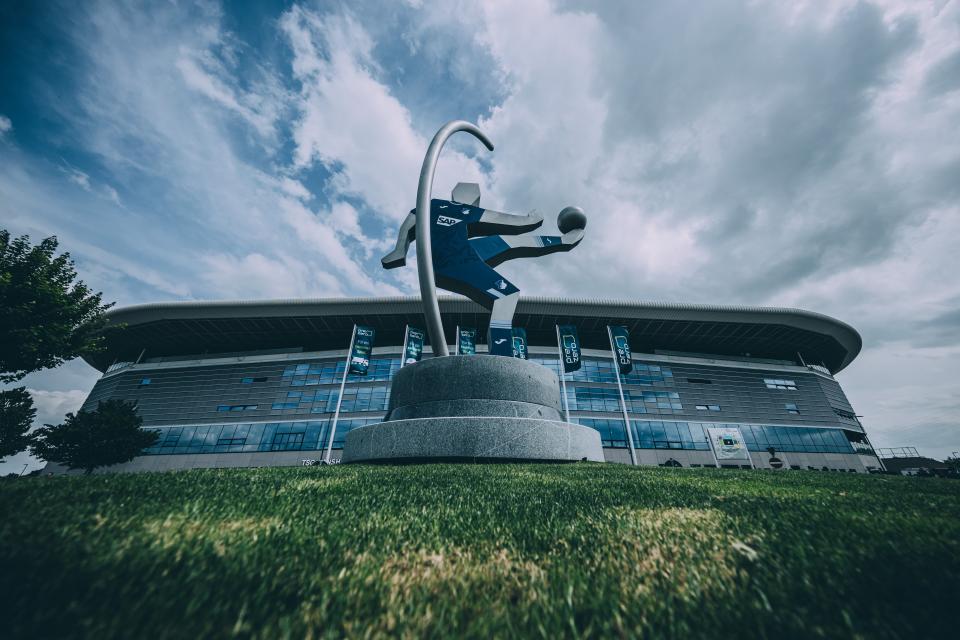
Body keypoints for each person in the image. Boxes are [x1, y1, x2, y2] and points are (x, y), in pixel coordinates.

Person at [383, 183, 586, 355]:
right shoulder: (468, 211)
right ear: (475, 200)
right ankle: (501, 348)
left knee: (505, 242)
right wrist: (533, 218)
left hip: (449, 255)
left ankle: (561, 241)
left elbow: (409, 222)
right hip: (458, 260)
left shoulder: (432, 205)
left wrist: (399, 250)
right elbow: (512, 222)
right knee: (506, 296)